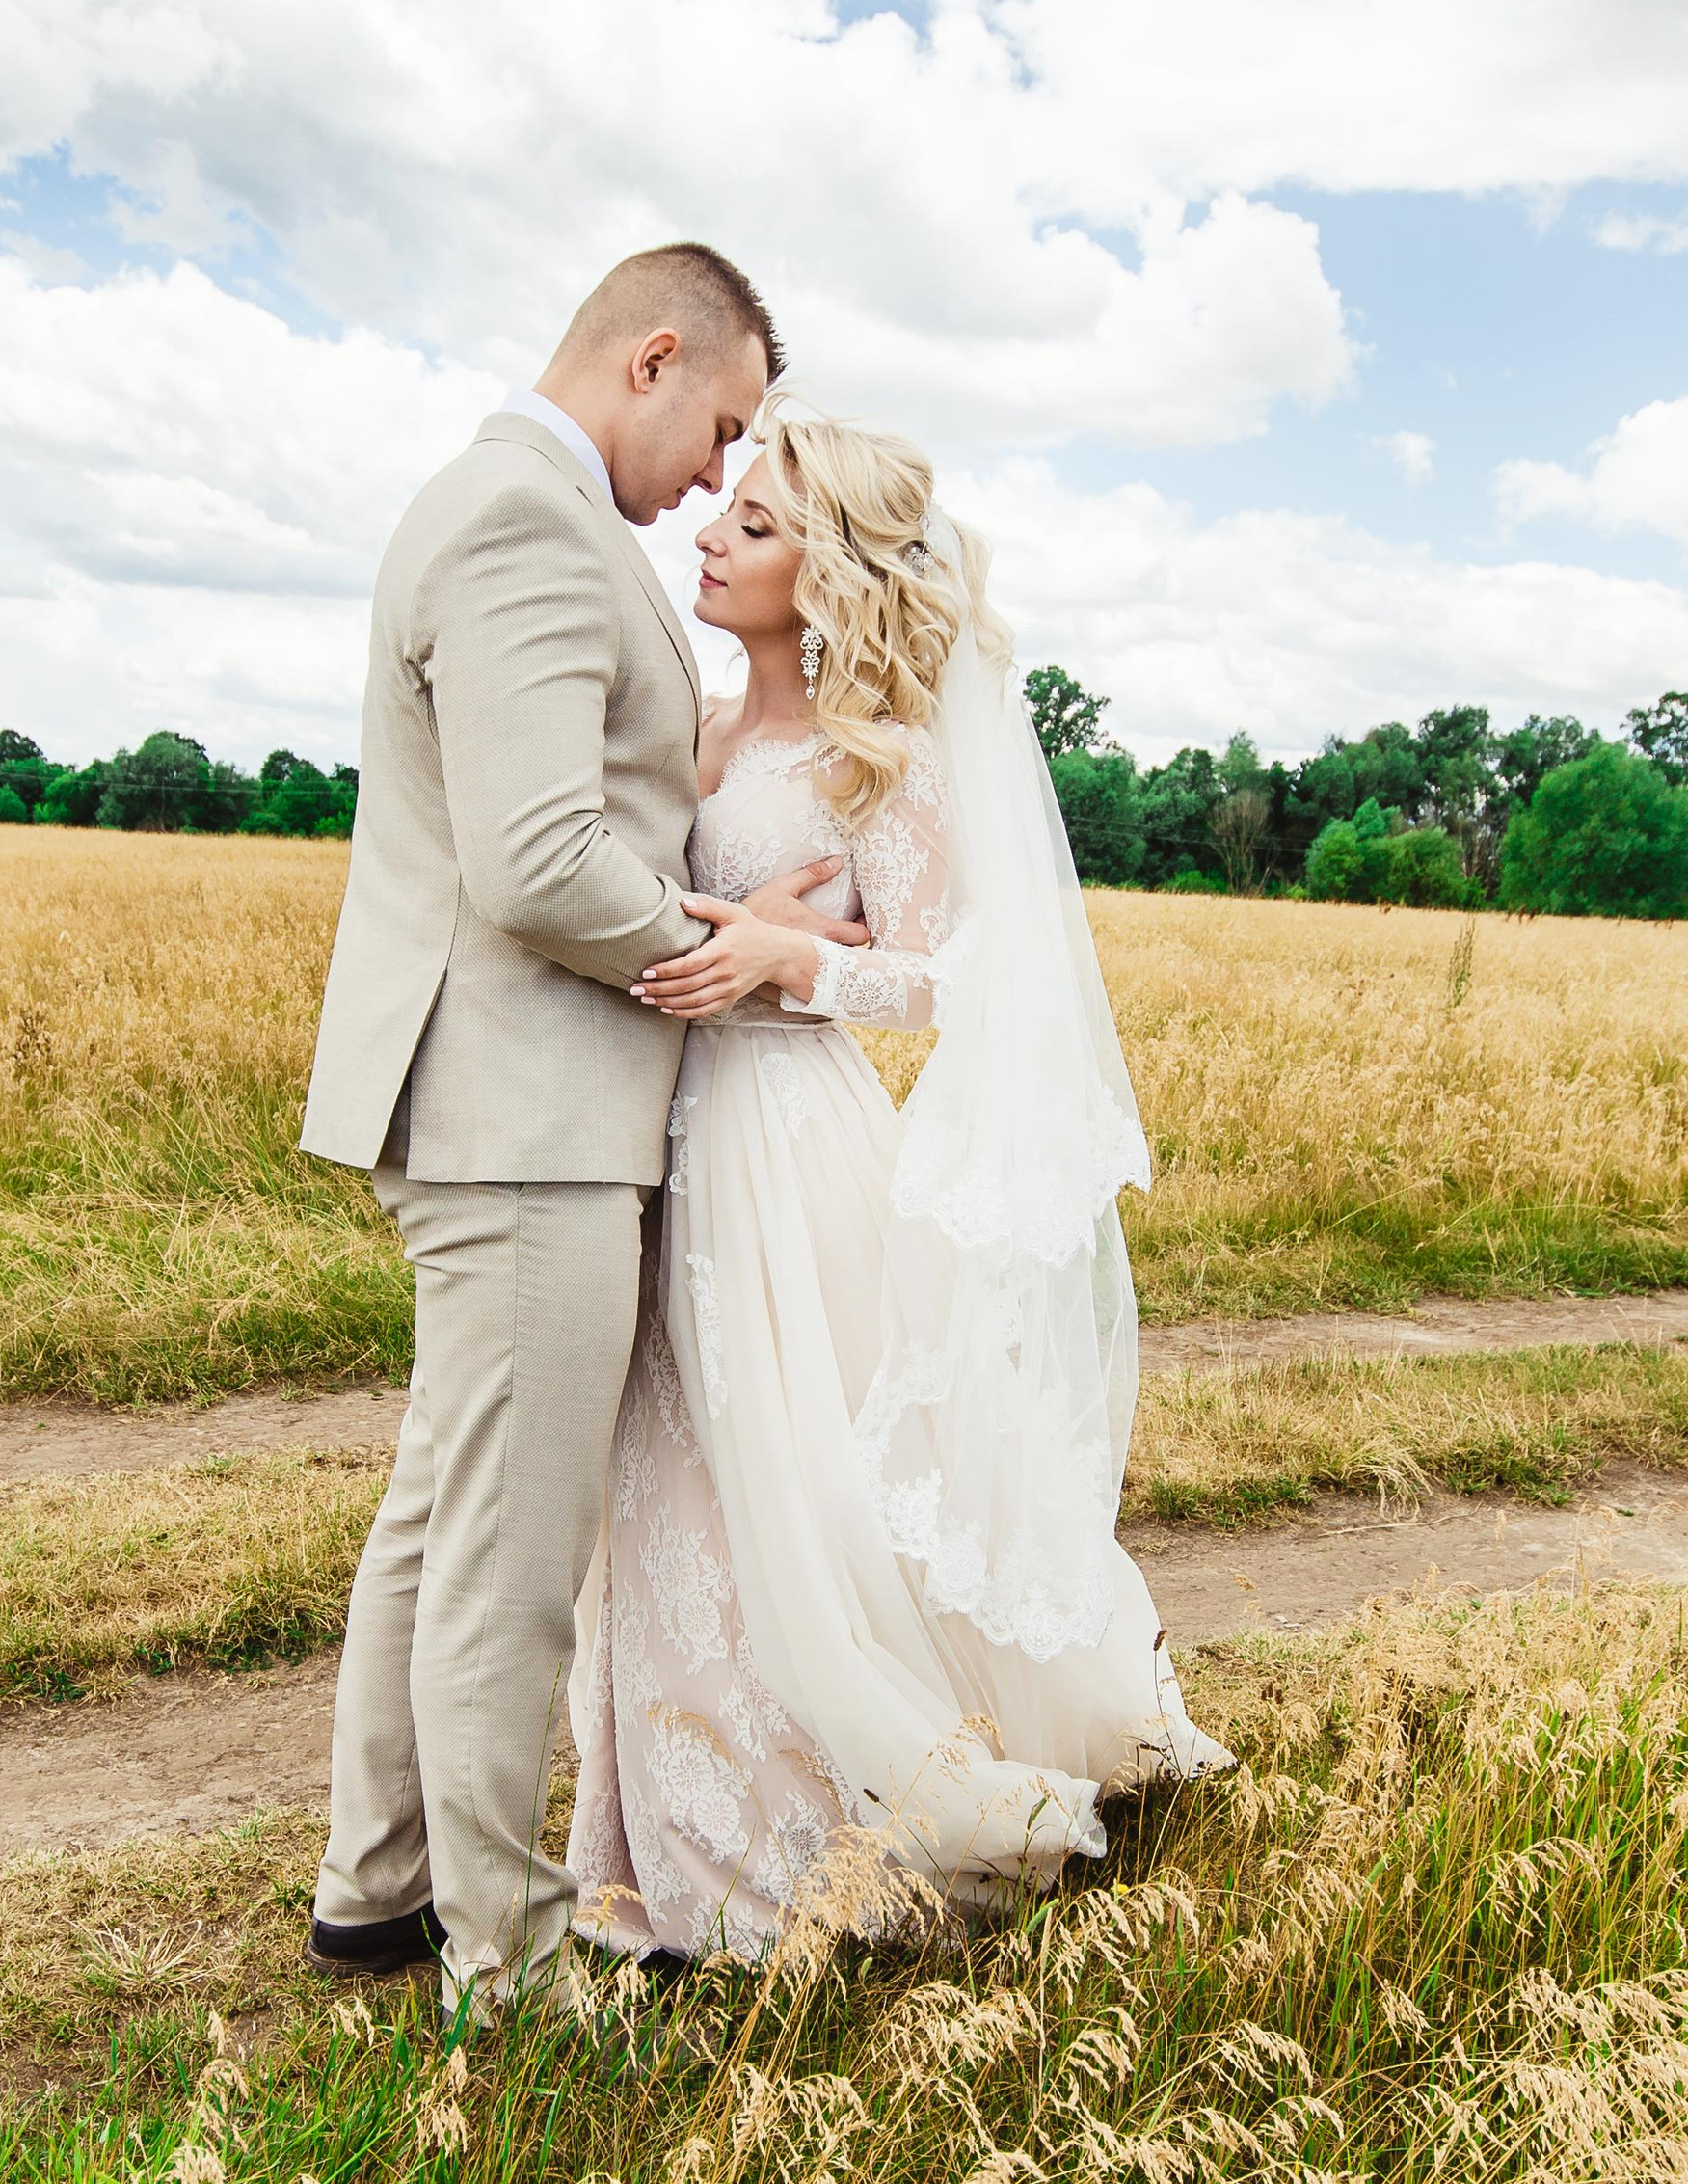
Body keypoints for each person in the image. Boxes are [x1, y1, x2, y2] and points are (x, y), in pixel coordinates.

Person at [568, 396, 1230, 1962]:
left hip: (788, 1141)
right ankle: (651, 1824)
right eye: (722, 516)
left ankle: (820, 1820)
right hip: (658, 1128)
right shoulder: (705, 730)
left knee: (800, 1477)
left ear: (834, 571)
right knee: (672, 1477)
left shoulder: (886, 754)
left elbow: (951, 976)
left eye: (757, 526)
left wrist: (798, 960)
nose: (711, 537)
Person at [297, 250, 866, 2012]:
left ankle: (376, 1885)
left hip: (496, 1101)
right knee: (509, 1556)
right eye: (719, 427)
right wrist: (736, 948)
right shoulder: (530, 525)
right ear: (655, 351)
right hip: (523, 1113)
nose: (717, 474)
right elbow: (538, 860)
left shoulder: (493, 505)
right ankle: (514, 1951)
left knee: (439, 1510)